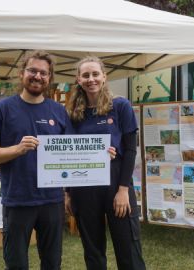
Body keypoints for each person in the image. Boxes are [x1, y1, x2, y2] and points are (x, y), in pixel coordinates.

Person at [0, 50, 73, 270]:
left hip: (52, 200)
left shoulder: (59, 111)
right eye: (32, 70)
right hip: (18, 199)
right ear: (22, 73)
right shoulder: (3, 108)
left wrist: (101, 155)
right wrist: (18, 149)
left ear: (49, 78)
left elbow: (70, 156)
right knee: (16, 264)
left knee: (52, 263)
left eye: (44, 73)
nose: (38, 76)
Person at [65, 56, 146, 270]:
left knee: (128, 247)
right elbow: (66, 154)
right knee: (93, 252)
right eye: (85, 75)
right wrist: (68, 192)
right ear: (78, 79)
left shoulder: (120, 106)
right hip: (84, 188)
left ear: (104, 77)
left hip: (116, 183)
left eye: (95, 74)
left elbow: (130, 150)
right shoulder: (73, 114)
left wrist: (122, 190)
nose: (91, 79)